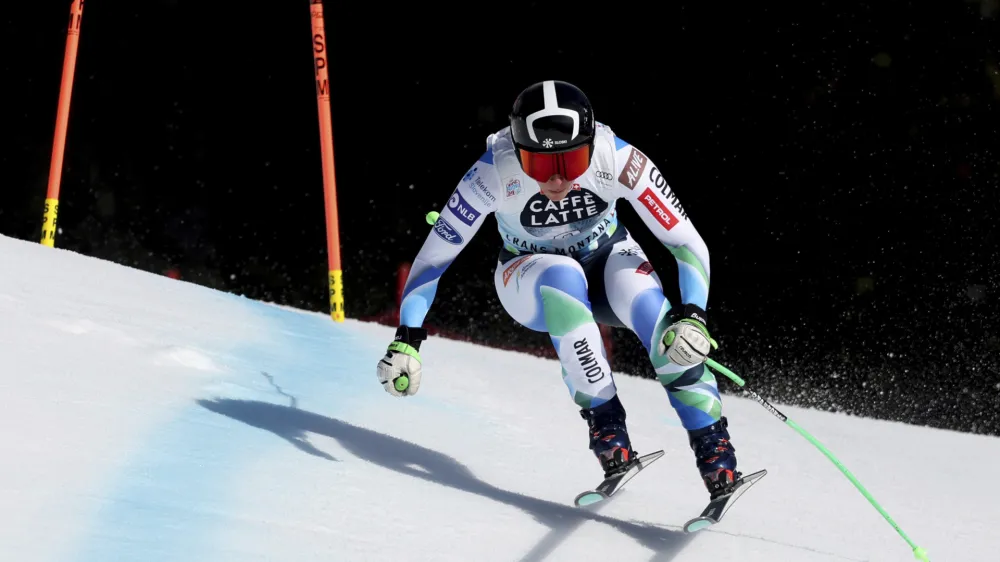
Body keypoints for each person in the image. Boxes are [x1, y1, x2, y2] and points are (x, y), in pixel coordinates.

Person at [376, 79, 740, 498]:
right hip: (528, 274)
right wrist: (408, 338)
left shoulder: (616, 157)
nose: (555, 179)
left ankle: (717, 456)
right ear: (518, 151)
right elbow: (434, 258)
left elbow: (687, 243)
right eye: (539, 165)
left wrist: (694, 313)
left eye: (570, 162)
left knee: (660, 321)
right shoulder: (494, 170)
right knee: (563, 278)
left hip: (607, 257)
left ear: (590, 144)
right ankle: (609, 434)